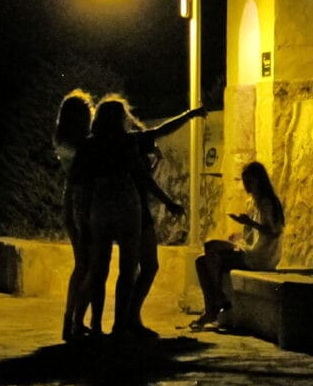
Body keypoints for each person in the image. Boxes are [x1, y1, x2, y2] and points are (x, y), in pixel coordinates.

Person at [114, 97, 205, 337]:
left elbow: (144, 175)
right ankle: (128, 320)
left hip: (120, 211)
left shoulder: (105, 145)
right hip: (137, 211)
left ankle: (124, 321)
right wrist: (190, 114)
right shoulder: (129, 142)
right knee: (146, 266)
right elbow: (145, 177)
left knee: (131, 269)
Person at [68, 98, 155, 337]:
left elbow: (80, 182)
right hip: (127, 204)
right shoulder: (126, 142)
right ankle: (120, 324)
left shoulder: (88, 146)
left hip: (101, 206)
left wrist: (82, 216)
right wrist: (167, 200)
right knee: (127, 269)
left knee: (99, 269)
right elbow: (141, 173)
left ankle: (96, 324)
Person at [190, 160, 284, 331]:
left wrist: (250, 223)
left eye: (249, 181)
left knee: (211, 252)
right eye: (244, 181)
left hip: (260, 257)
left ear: (258, 180)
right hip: (250, 251)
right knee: (202, 260)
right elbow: (253, 236)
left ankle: (215, 304)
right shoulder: (253, 202)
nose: (246, 185)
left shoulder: (267, 203)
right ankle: (213, 304)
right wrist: (240, 234)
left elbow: (274, 232)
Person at [53, 89, 96, 342]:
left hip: (72, 199)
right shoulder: (83, 143)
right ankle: (75, 320)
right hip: (84, 202)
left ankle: (72, 320)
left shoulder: (63, 140)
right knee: (89, 266)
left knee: (83, 265)